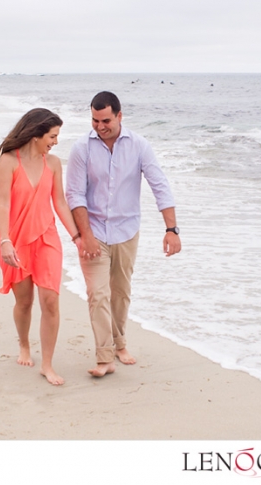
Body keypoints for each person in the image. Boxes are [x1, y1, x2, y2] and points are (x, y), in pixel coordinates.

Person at [66, 91, 181, 377]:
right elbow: (75, 195)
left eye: (105, 120)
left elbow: (159, 186)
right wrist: (86, 235)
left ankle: (120, 344)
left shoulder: (140, 146)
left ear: (119, 115)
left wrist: (171, 229)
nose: (100, 126)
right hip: (93, 231)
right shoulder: (82, 148)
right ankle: (105, 358)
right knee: (98, 293)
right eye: (94, 120)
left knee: (120, 293)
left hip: (127, 231)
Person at [0, 108, 82, 386]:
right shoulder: (9, 161)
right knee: (24, 301)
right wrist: (6, 240)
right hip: (16, 240)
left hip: (46, 237)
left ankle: (47, 364)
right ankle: (23, 344)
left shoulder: (53, 163)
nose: (55, 142)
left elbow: (60, 203)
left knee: (51, 300)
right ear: (36, 134)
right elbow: (3, 204)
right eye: (53, 136)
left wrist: (77, 237)